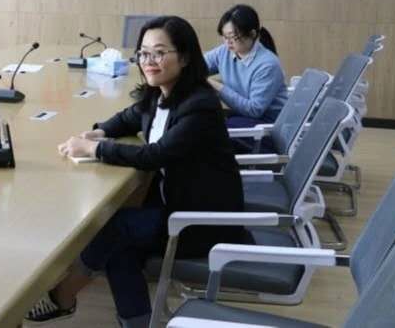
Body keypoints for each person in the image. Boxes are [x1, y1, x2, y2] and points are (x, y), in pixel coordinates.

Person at [24, 16, 246, 328]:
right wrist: (100, 131)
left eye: (159, 53)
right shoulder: (161, 93)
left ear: (184, 57)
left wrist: (96, 150)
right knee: (118, 245)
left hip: (201, 221)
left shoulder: (200, 105)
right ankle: (136, 322)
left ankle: (63, 294)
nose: (149, 61)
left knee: (114, 229)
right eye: (144, 53)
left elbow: (156, 155)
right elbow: (130, 116)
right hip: (174, 205)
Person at [204, 4, 288, 128]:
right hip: (242, 116)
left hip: (267, 125)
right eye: (225, 37)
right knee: (203, 117)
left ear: (252, 34)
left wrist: (216, 86)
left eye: (233, 37)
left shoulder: (268, 65)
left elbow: (254, 110)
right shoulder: (224, 51)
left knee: (216, 128)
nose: (228, 42)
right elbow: (198, 65)